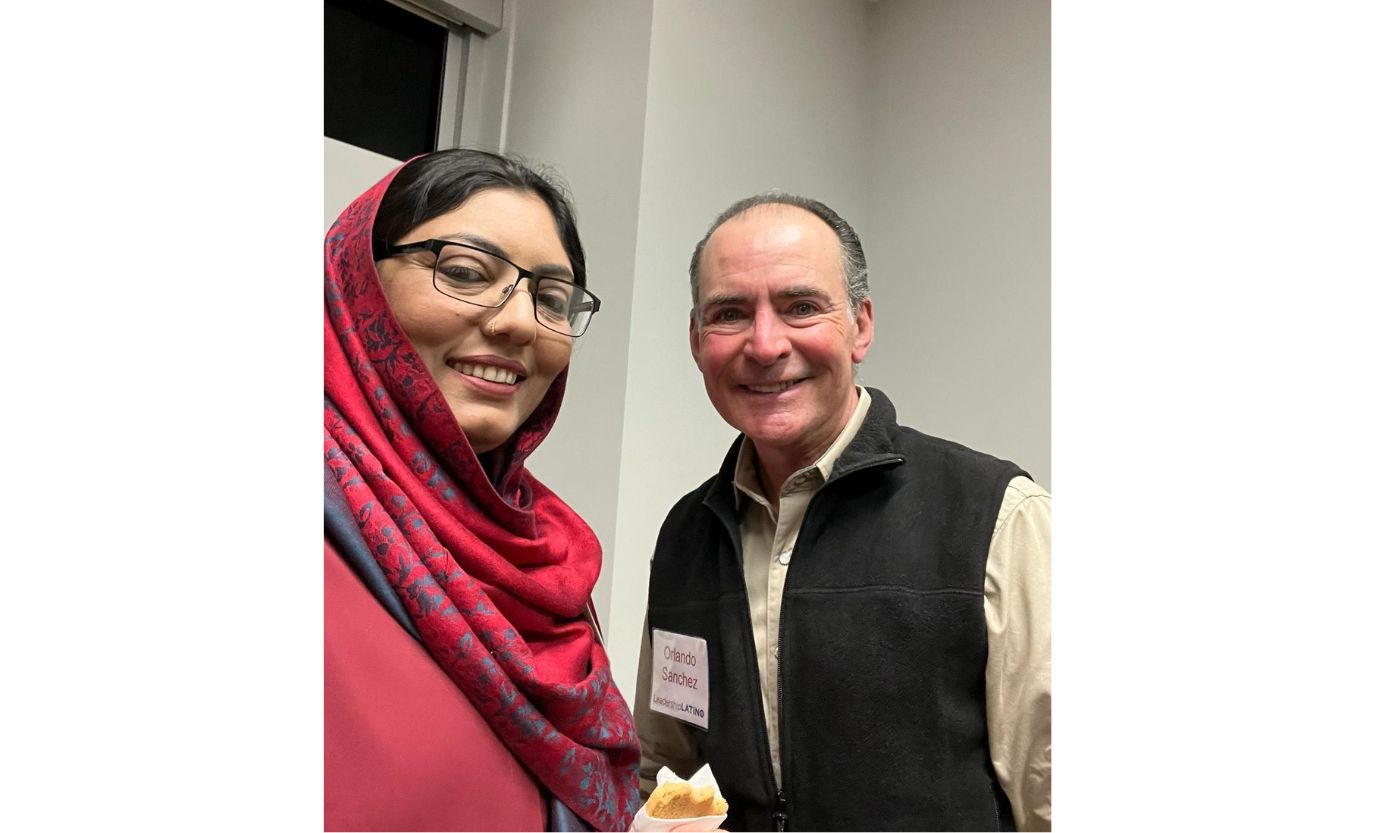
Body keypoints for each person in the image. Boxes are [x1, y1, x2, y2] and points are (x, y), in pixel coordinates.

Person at [633, 194, 1051, 831]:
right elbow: (668, 771)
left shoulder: (997, 516)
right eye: (730, 314)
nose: (765, 345)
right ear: (696, 341)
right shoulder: (686, 536)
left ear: (861, 325)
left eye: (801, 307)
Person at [324, 149, 639, 831]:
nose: (518, 322)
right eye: (465, 272)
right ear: (356, 282)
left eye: (550, 298)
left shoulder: (544, 556)